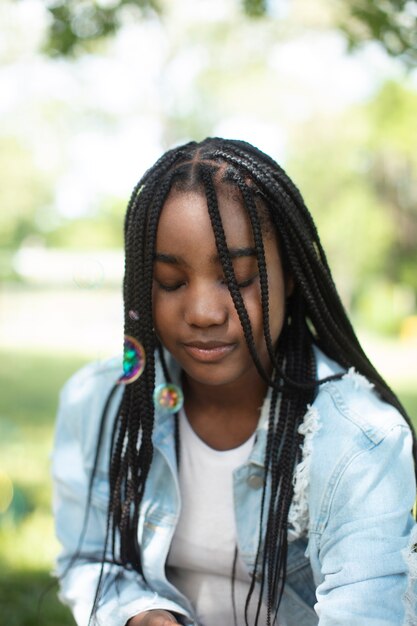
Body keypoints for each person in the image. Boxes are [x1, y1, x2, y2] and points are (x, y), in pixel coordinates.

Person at [52, 137, 417, 626]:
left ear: (288, 276)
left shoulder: (361, 439)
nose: (203, 313)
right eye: (171, 282)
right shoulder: (99, 403)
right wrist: (142, 614)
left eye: (239, 276)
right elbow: (89, 559)